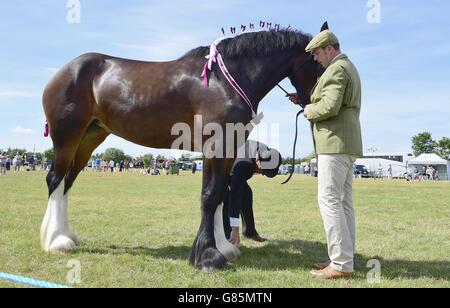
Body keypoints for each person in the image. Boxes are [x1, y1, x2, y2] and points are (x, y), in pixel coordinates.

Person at [287, 29, 362, 279]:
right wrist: (305, 100)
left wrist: (309, 110)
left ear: (330, 49)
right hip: (346, 143)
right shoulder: (346, 66)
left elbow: (330, 106)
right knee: (343, 202)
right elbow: (332, 100)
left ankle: (340, 264)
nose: (316, 59)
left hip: (334, 143)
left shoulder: (336, 69)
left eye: (318, 54)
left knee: (329, 200)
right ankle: (344, 259)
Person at [223, 140, 282, 247]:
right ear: (257, 159)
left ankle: (249, 232)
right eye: (262, 170)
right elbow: (235, 195)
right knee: (227, 199)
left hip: (233, 168)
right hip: (219, 170)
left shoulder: (265, 151)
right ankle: (229, 236)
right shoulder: (245, 165)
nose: (263, 174)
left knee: (247, 194)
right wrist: (235, 228)